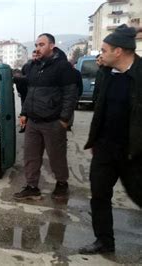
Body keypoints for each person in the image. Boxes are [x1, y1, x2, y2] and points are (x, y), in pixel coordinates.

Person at [78, 24, 142, 255]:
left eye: (104, 50)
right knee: (99, 195)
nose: (100, 54)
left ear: (119, 51)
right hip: (105, 148)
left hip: (135, 152)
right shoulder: (106, 74)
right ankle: (104, 241)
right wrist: (95, 141)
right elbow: (99, 108)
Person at [13, 33, 78, 201]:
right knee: (31, 157)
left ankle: (62, 184)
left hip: (53, 122)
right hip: (33, 122)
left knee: (56, 156)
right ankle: (32, 187)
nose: (37, 48)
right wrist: (24, 113)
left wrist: (64, 120)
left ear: (52, 46)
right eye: (36, 45)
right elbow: (30, 94)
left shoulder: (62, 67)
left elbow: (70, 95)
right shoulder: (34, 67)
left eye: (41, 44)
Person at [13, 50, 37, 133]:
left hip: (36, 92)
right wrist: (20, 90)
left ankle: (31, 126)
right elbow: (22, 78)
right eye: (34, 56)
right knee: (24, 110)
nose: (35, 57)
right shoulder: (26, 66)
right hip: (25, 92)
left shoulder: (41, 66)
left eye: (36, 56)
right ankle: (24, 126)